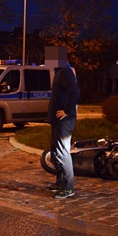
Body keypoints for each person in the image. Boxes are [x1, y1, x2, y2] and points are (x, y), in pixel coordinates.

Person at [47, 62, 80, 199]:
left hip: (64, 121)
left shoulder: (65, 71)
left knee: (62, 153)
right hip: (57, 120)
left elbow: (75, 91)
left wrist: (67, 111)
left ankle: (68, 187)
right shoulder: (59, 71)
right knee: (55, 153)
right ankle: (60, 182)